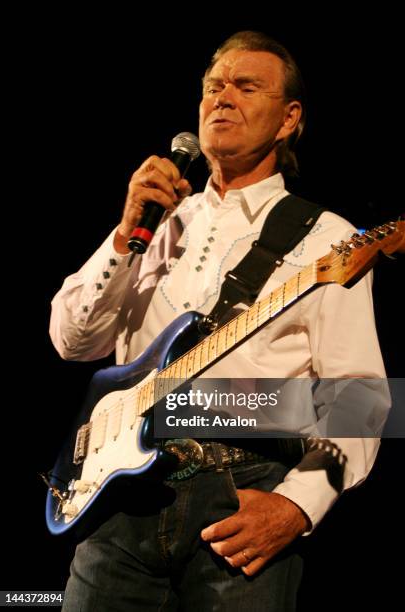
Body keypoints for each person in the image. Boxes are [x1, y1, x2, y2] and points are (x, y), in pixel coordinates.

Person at [50, 31, 390, 611]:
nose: (222, 97)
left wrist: (296, 505)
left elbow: (360, 398)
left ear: (289, 119)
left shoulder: (330, 239)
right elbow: (72, 340)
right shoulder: (158, 223)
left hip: (241, 498)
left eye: (245, 85)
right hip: (118, 502)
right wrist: (125, 234)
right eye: (213, 86)